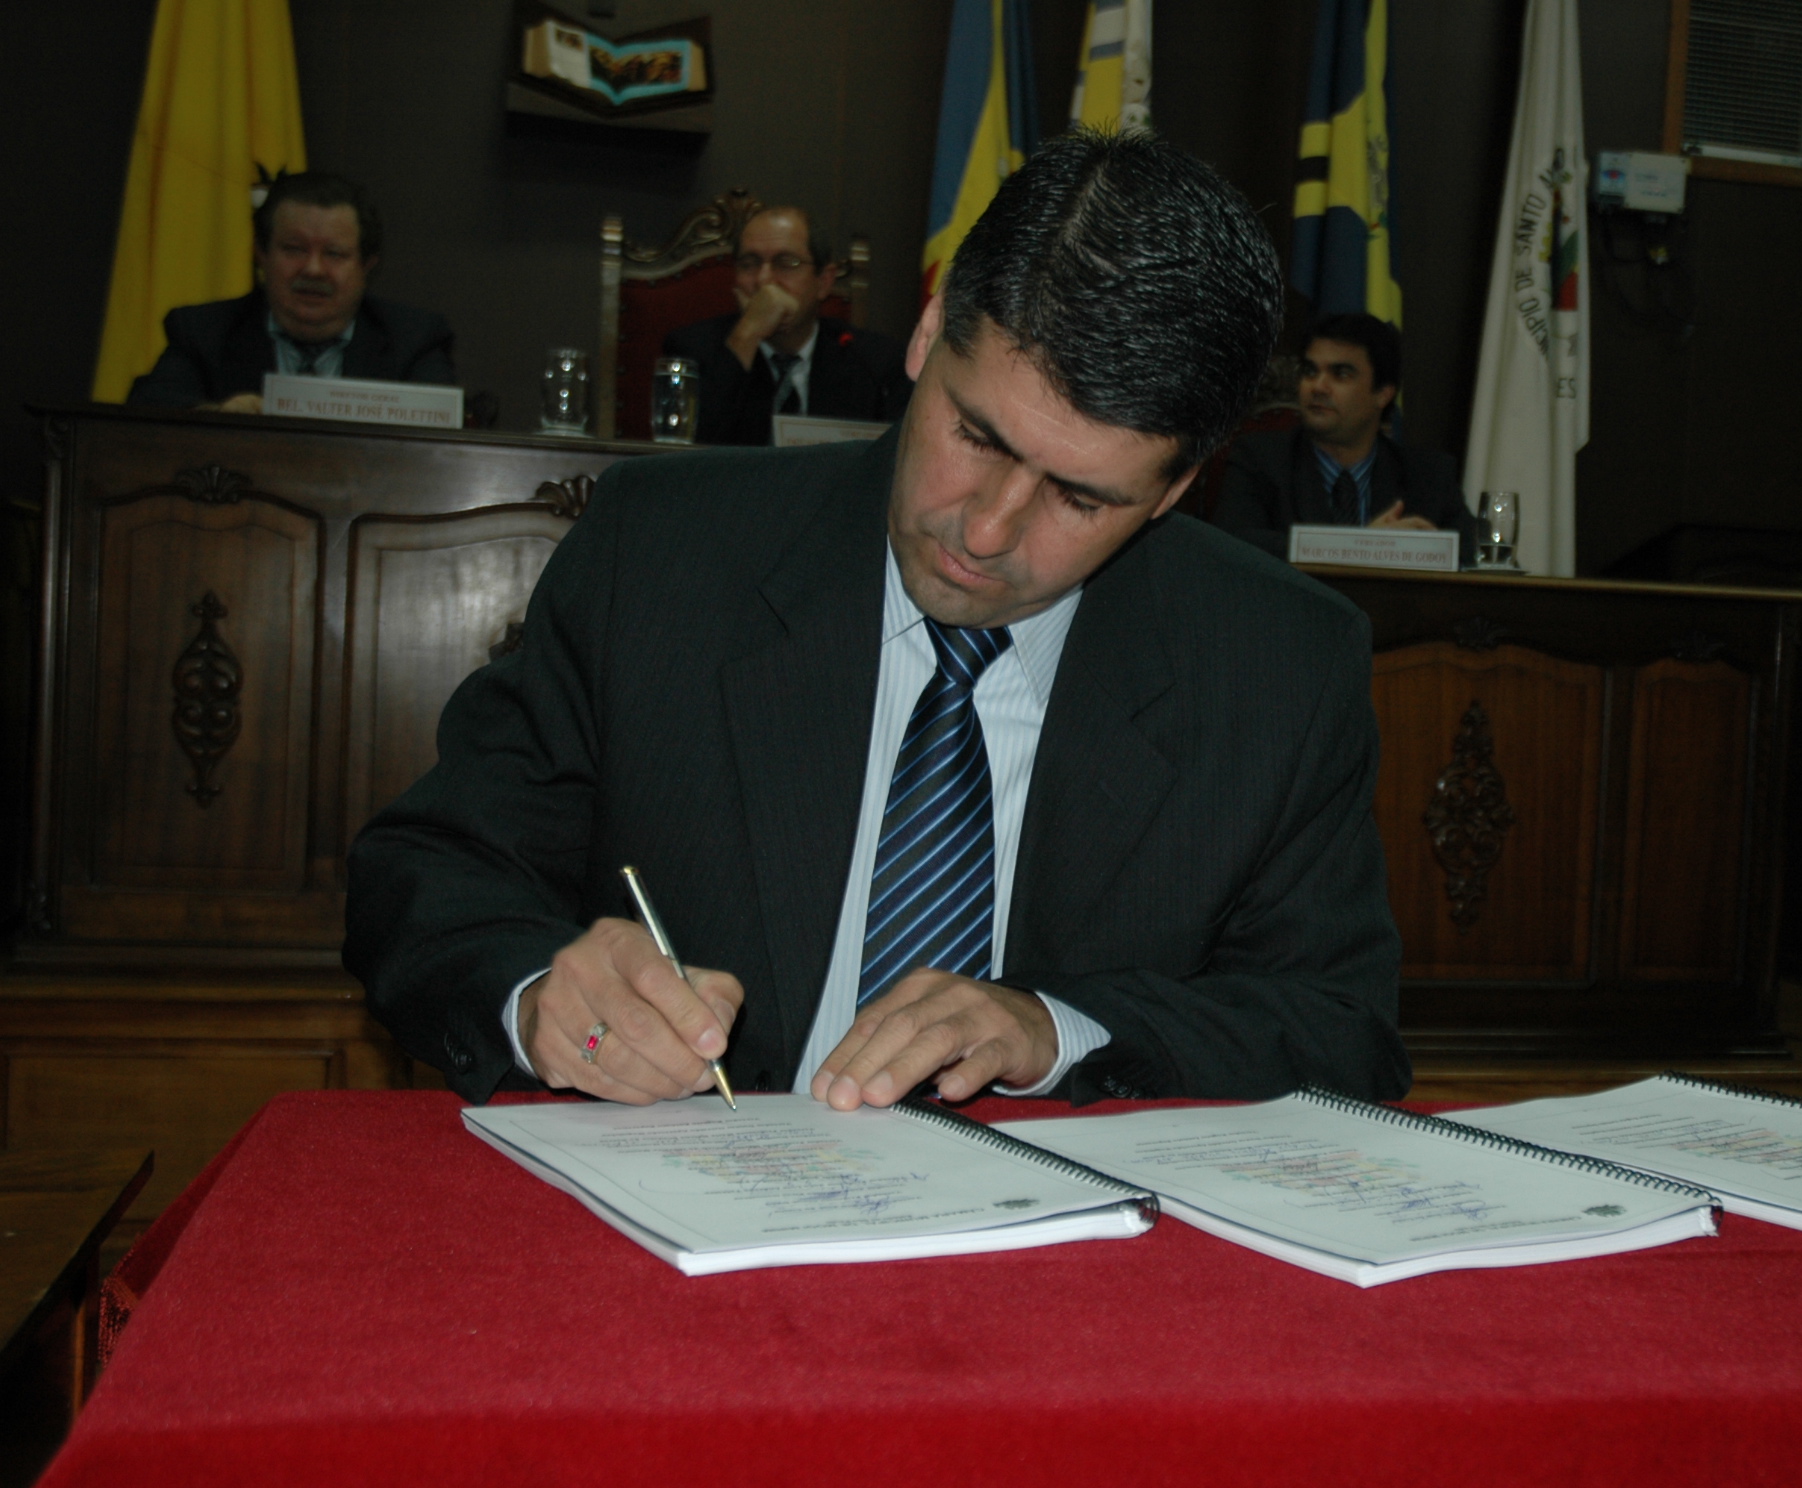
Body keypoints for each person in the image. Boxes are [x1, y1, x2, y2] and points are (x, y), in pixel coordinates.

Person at [344, 130, 1409, 1112]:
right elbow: (423, 876)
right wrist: (538, 995)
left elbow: (1338, 1029)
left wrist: (1056, 1031)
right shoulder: (662, 556)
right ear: (930, 332)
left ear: (1175, 488)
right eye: (977, 436)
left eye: (1080, 498)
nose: (988, 528)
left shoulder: (1278, 663)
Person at [126, 172, 456, 412]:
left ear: (366, 265)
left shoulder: (412, 340)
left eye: (334, 254)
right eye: (294, 249)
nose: (313, 270)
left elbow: (447, 437)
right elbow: (147, 411)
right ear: (261, 254)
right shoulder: (204, 332)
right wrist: (216, 417)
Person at [1209, 312, 1472, 558]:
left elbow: (1471, 552)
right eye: (1310, 371)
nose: (1318, 387)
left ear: (1383, 394)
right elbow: (1234, 544)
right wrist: (1366, 545)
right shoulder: (1260, 459)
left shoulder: (1428, 476)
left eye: (1341, 374)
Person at [662, 205, 913, 445]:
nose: (764, 281)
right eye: (749, 264)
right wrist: (747, 333)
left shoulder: (875, 362)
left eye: (786, 263)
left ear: (824, 281)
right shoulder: (691, 350)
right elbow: (689, 454)